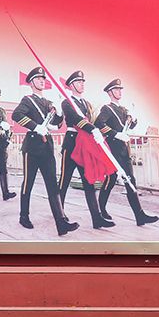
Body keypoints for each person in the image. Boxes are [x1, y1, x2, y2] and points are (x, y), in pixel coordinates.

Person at [14, 67, 77, 235]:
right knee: (28, 183)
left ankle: (61, 222)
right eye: (38, 79)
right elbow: (16, 115)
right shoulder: (27, 100)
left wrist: (60, 113)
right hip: (32, 146)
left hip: (47, 147)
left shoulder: (48, 103)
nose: (42, 81)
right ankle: (24, 216)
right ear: (31, 82)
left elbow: (56, 124)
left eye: (43, 79)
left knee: (52, 185)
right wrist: (35, 127)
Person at [96, 78, 158, 226]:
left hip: (124, 150)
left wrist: (133, 120)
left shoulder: (124, 110)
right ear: (110, 92)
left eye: (120, 89)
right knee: (111, 180)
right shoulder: (107, 109)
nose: (119, 92)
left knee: (130, 181)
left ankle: (140, 216)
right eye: (116, 90)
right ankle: (101, 210)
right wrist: (115, 134)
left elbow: (129, 127)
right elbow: (99, 124)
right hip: (113, 150)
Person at [58, 71, 114, 228]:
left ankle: (97, 219)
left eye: (83, 81)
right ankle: (59, 214)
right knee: (64, 180)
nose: (82, 84)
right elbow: (75, 119)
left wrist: (98, 131)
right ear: (71, 85)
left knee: (88, 181)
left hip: (85, 145)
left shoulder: (87, 104)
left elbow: (93, 121)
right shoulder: (67, 102)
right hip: (72, 144)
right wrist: (91, 128)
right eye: (78, 82)